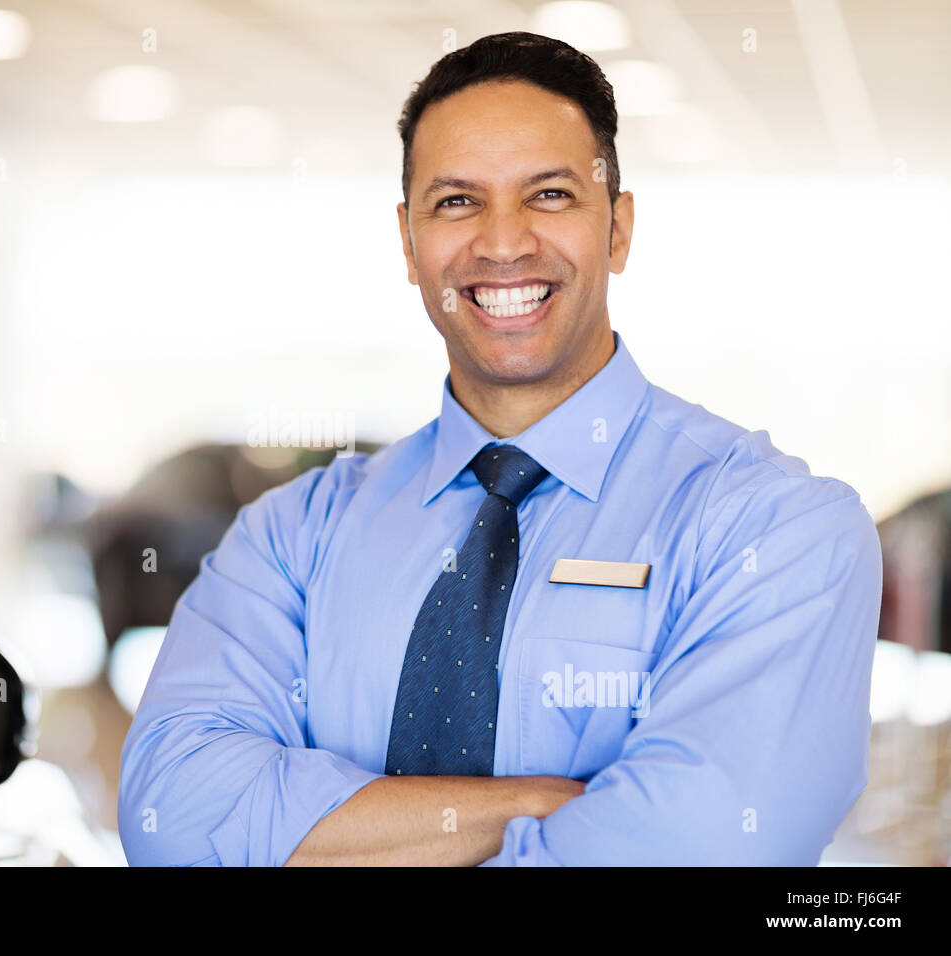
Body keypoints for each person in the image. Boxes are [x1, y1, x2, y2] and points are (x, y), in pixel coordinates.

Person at [117, 31, 882, 866]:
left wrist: (336, 834)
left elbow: (702, 845)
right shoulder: (294, 536)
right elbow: (175, 819)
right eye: (456, 202)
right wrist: (551, 805)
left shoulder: (772, 529)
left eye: (550, 195)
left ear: (618, 230)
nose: (503, 242)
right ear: (409, 243)